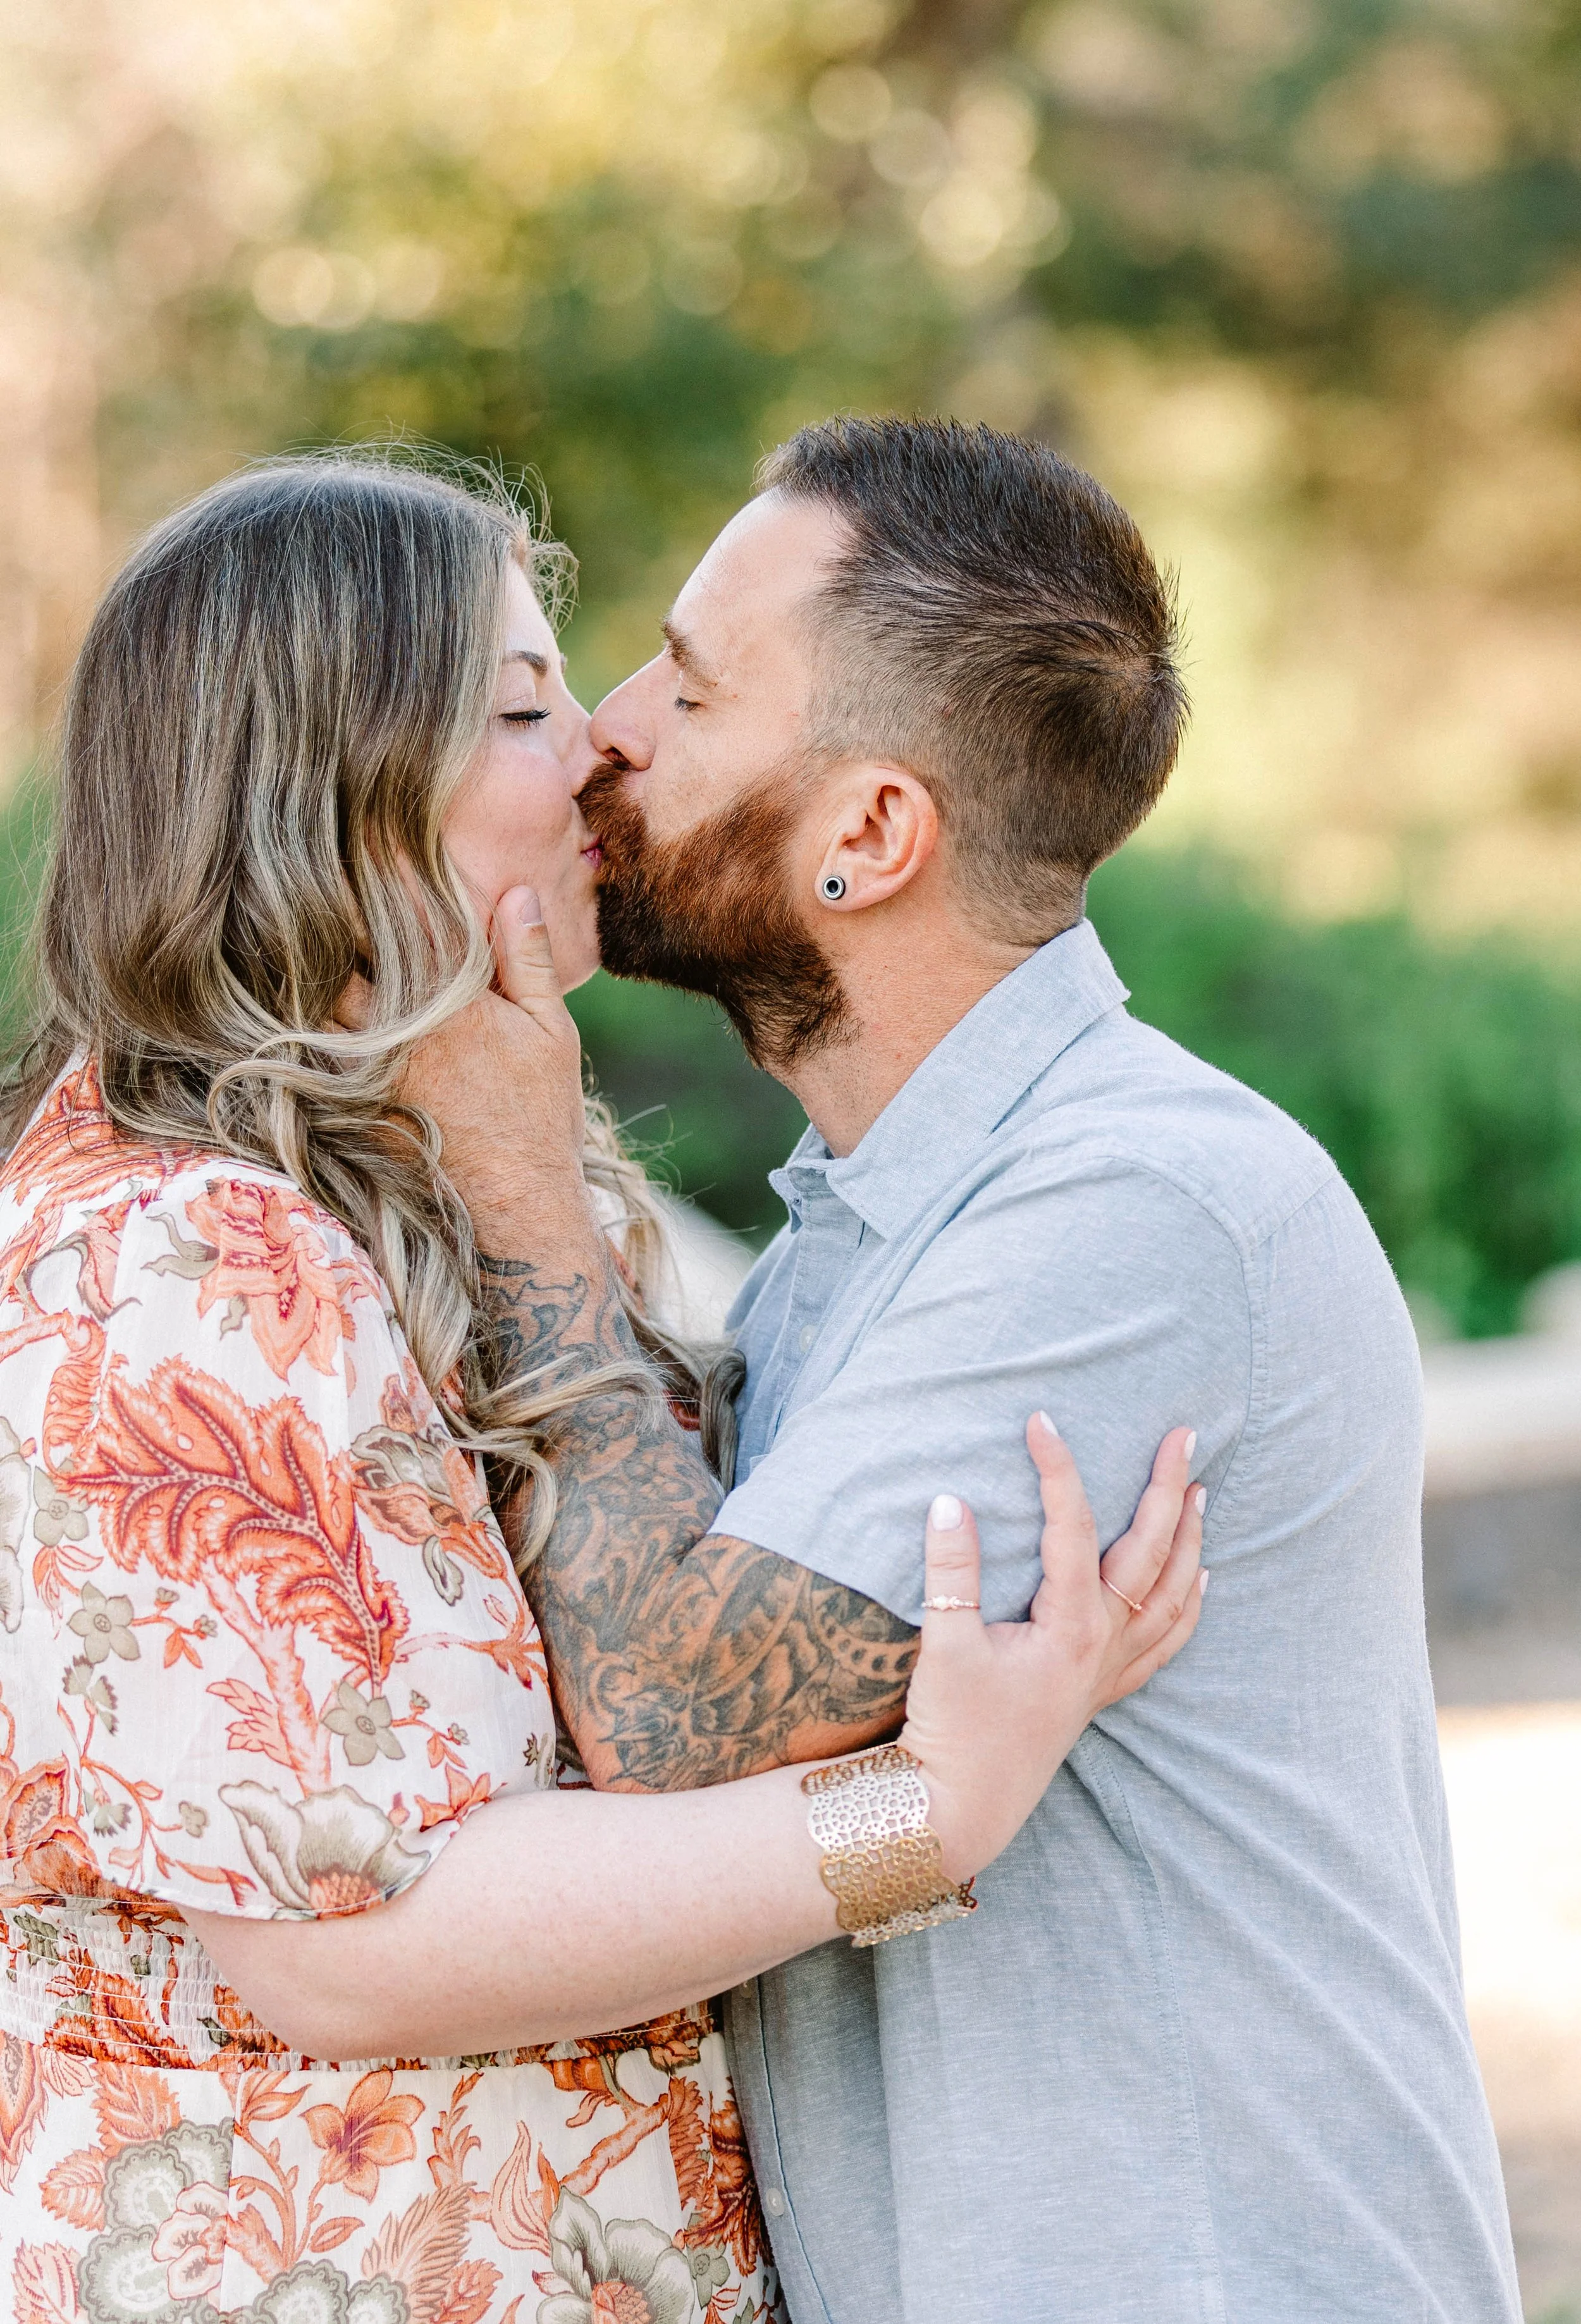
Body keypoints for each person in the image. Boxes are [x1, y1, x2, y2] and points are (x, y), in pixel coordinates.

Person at [0, 453, 1206, 2324]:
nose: (599, 753)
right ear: (323, 787)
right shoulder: (186, 1264)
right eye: (518, 703)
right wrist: (929, 1810)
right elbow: (342, 1949)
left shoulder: (429, 1189)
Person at [410, 418, 1523, 2323]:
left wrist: (513, 1180)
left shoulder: (1139, 1205)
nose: (606, 729)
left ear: (867, 835)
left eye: (687, 685)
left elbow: (680, 1722)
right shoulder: (880, 1226)